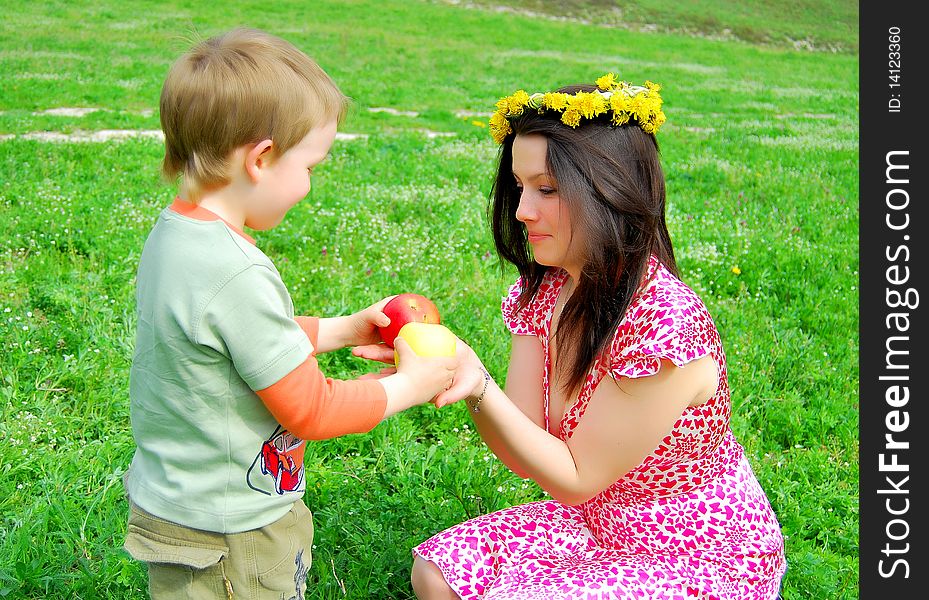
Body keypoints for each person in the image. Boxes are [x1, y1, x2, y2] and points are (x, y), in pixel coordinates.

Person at [409, 74, 787, 598]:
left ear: (610, 192)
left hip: (692, 549)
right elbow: (526, 452)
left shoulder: (665, 326)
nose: (522, 211)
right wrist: (456, 374)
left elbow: (577, 475)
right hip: (593, 521)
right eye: (520, 187)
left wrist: (478, 385)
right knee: (436, 573)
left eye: (547, 189)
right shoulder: (547, 287)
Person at [121, 28, 456, 599]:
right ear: (261, 158)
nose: (308, 185)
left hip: (182, 503)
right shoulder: (236, 272)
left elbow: (239, 339)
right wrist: (409, 385)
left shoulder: (176, 235)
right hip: (234, 529)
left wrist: (343, 329)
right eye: (310, 166)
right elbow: (312, 410)